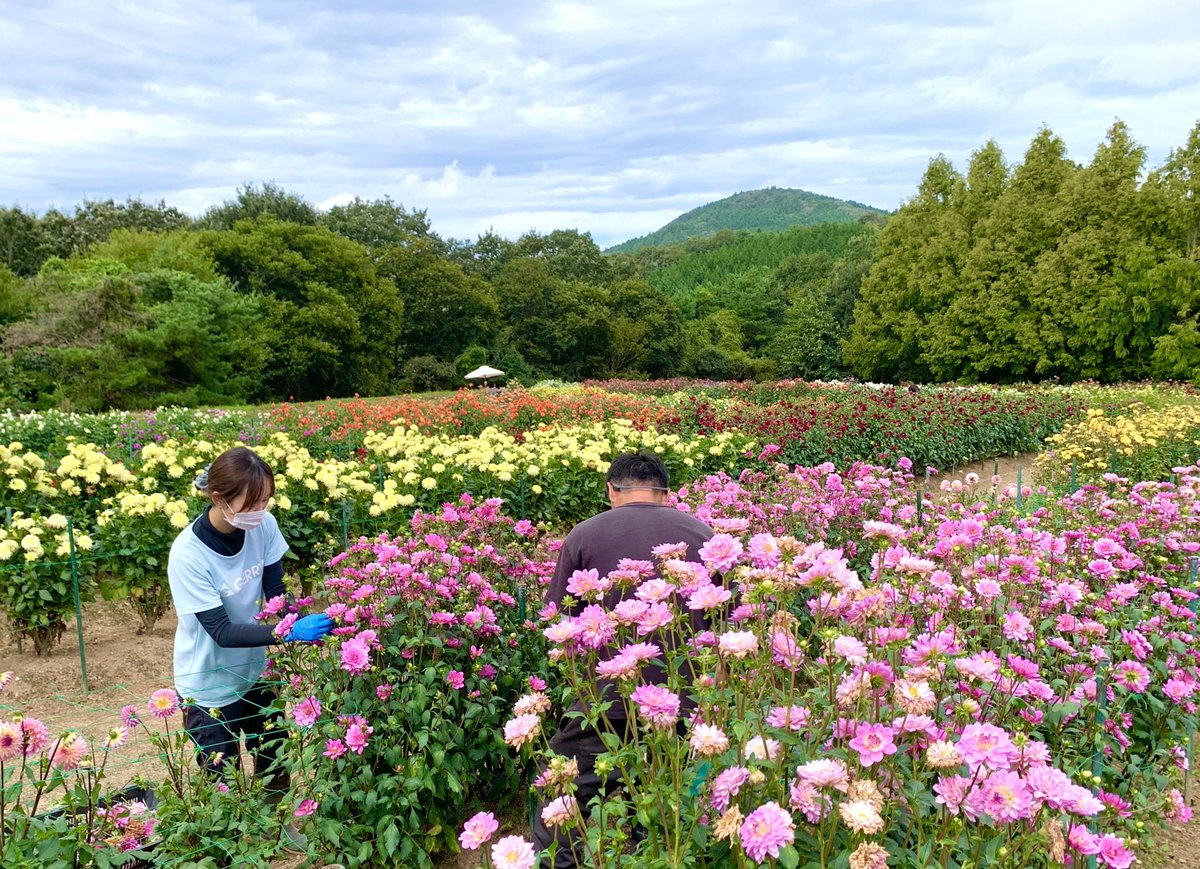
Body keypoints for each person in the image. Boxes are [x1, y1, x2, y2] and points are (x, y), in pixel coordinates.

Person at [533, 451, 713, 868]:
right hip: (682, 702)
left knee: (557, 794)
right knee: (673, 803)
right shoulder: (700, 533)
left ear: (611, 490)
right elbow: (726, 616)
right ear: (666, 494)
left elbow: (559, 616)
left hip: (606, 701)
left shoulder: (584, 534)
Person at [167, 446, 333, 801]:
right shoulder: (188, 555)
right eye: (251, 504)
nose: (260, 512)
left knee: (274, 753)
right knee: (222, 777)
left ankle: (277, 828)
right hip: (206, 684)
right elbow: (222, 632)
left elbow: (276, 593)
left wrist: (303, 619)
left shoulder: (265, 526)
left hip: (255, 669)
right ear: (218, 499)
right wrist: (289, 632)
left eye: (265, 501)